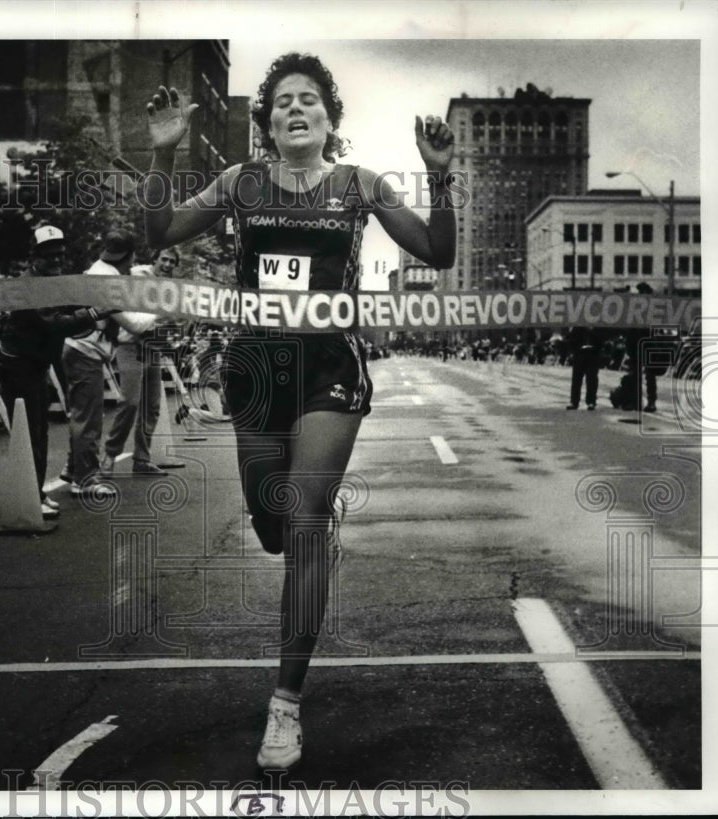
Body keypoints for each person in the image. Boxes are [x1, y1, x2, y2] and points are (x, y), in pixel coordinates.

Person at [142, 53, 456, 769]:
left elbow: (438, 252)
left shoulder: (360, 185)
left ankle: (285, 703)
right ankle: (292, 527)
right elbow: (158, 234)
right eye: (282, 100)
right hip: (256, 365)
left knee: (307, 520)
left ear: (328, 117)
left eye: (308, 100)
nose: (294, 109)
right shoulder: (240, 183)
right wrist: (161, 153)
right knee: (273, 519)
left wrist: (437, 173)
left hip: (329, 368)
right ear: (267, 121)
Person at [0, 225, 107, 516]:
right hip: (20, 365)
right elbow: (53, 322)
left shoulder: (51, 281)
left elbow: (71, 304)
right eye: (48, 255)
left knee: (39, 429)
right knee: (31, 431)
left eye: (59, 254)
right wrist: (93, 313)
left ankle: (35, 492)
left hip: (35, 363)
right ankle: (31, 495)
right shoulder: (31, 285)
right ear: (35, 256)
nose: (56, 260)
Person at [62, 229, 165, 496]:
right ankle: (84, 480)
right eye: (130, 261)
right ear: (127, 257)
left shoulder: (97, 270)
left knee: (82, 415)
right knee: (89, 419)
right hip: (87, 351)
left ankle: (73, 468)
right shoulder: (108, 283)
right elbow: (132, 324)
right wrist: (158, 311)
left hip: (80, 348)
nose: (131, 266)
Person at [99, 252, 177, 477]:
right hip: (130, 345)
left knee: (151, 406)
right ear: (155, 260)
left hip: (153, 346)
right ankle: (109, 455)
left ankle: (142, 459)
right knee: (130, 402)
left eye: (172, 261)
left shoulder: (170, 287)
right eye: (164, 259)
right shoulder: (137, 273)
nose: (167, 264)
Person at [565, 326, 602, 411]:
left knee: (592, 379)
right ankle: (574, 402)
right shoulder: (577, 328)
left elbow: (601, 339)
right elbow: (570, 339)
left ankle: (591, 401)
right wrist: (575, 349)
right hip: (580, 354)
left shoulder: (597, 328)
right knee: (576, 379)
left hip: (593, 354)